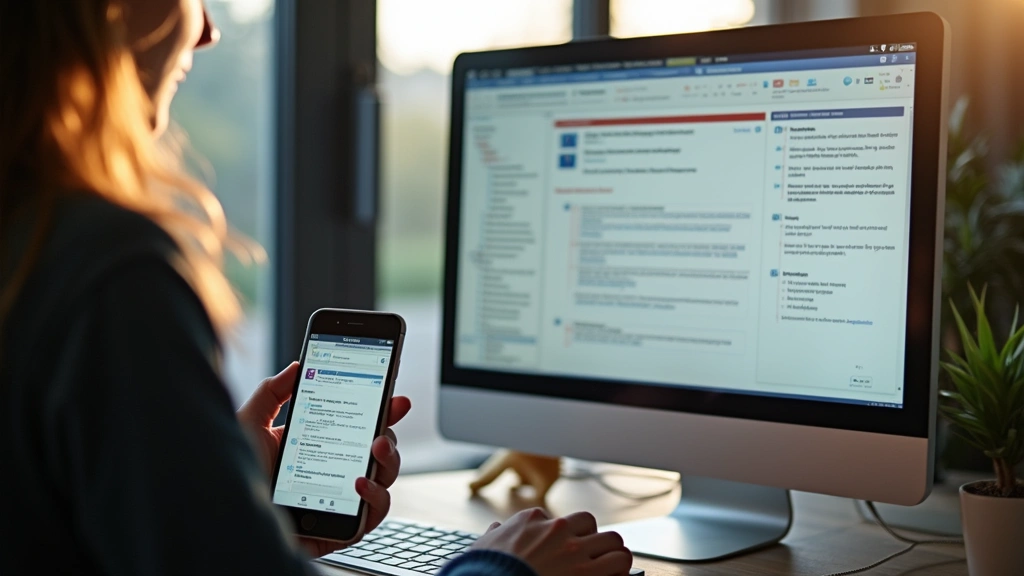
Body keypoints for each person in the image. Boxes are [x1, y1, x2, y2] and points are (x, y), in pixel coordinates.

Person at [0, 1, 633, 575]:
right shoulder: (105, 269)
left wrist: (226, 491)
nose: (208, 30)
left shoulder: (28, 236)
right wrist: (501, 569)